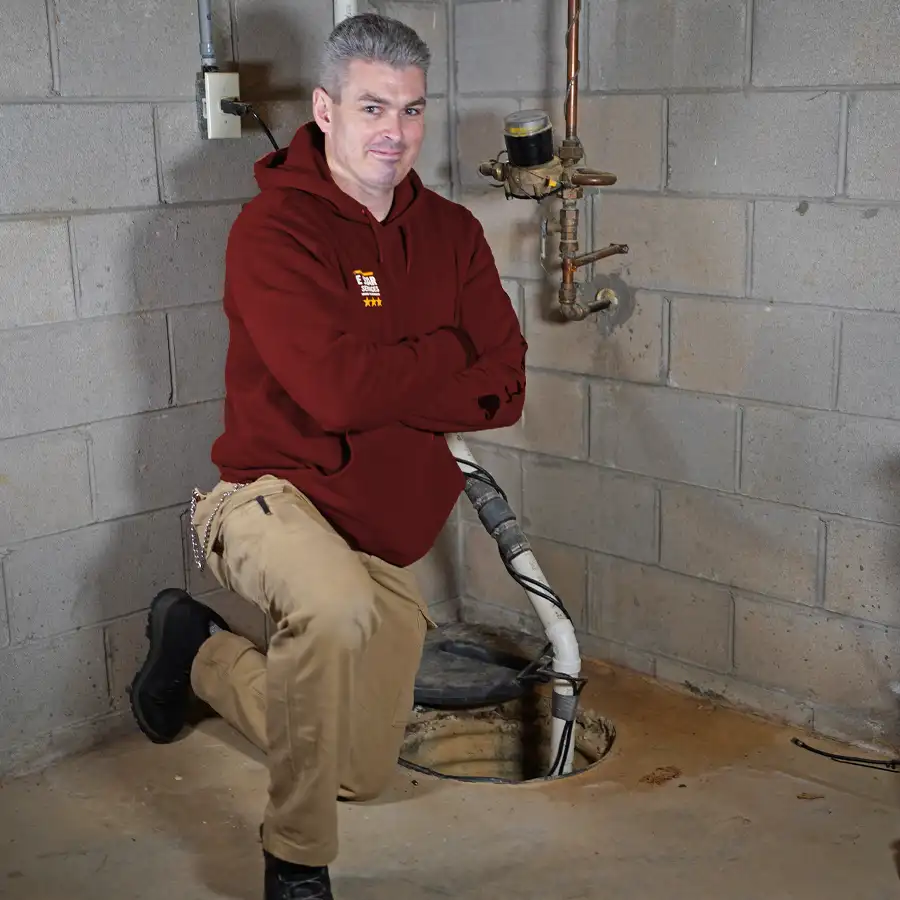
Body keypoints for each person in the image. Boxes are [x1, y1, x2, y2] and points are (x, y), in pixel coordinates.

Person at [128, 12, 527, 900]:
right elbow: (337, 394)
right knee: (335, 607)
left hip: (372, 525)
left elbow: (508, 385)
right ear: (325, 108)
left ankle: (199, 655)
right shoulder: (275, 232)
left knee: (360, 769)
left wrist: (398, 369)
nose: (396, 132)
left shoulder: (453, 233)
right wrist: (442, 359)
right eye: (373, 107)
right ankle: (296, 861)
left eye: (413, 111)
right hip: (265, 495)